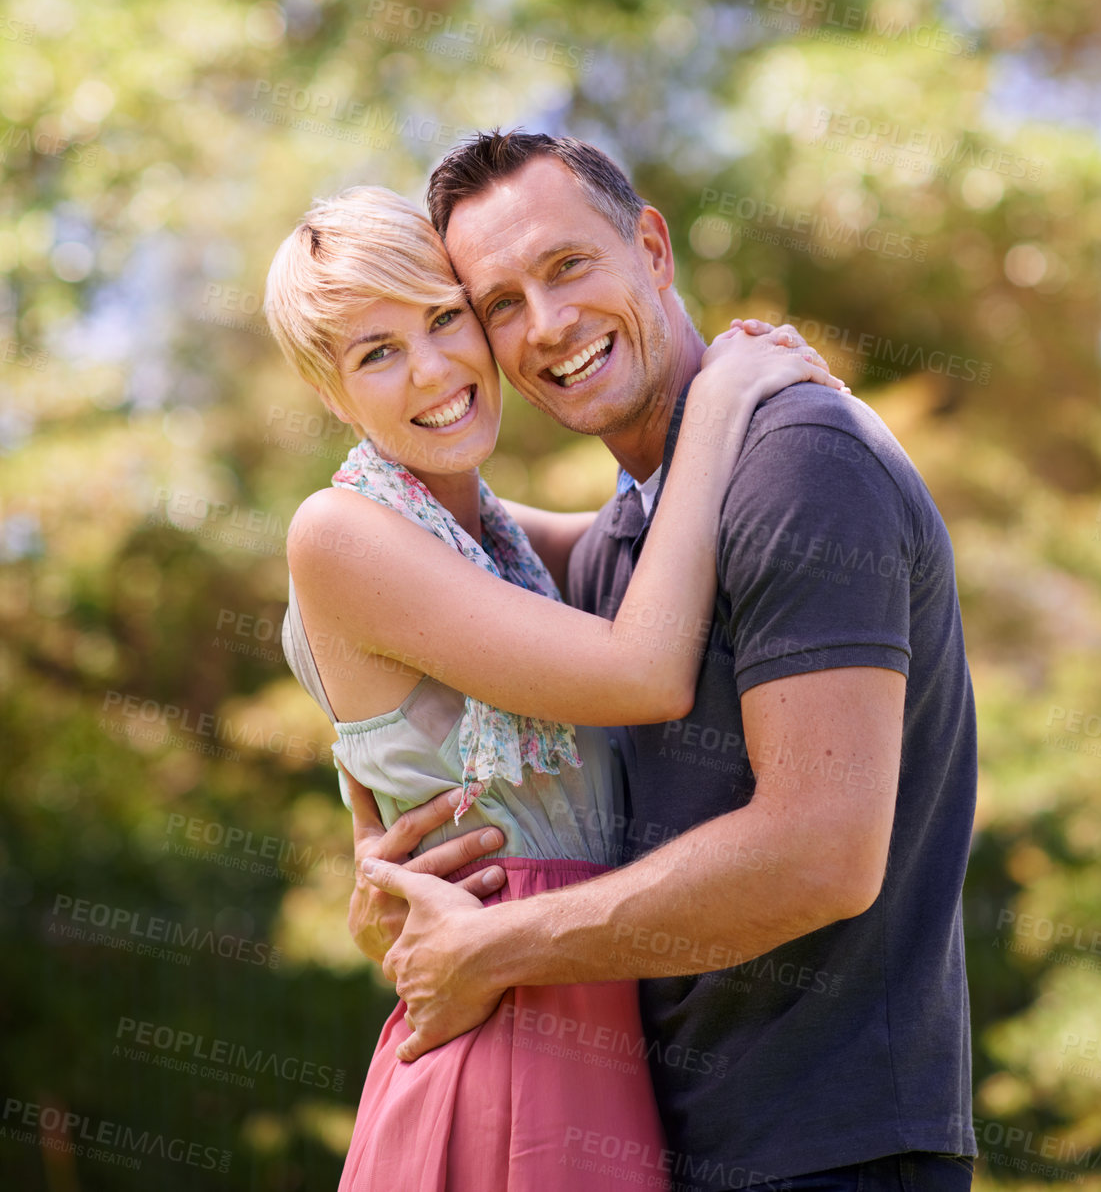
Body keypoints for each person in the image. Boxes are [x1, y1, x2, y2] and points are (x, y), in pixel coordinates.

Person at [354, 131, 979, 1192]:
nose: (548, 326)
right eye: (500, 305)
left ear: (651, 245)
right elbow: (456, 556)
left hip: (837, 1151)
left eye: (567, 266)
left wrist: (495, 949)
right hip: (671, 1148)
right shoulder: (630, 547)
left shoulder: (799, 462)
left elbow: (822, 850)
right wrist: (386, 871)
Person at [263, 184, 847, 1192]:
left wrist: (765, 411)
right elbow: (643, 667)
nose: (435, 369)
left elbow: (654, 535)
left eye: (446, 319)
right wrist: (719, 403)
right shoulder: (340, 533)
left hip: (577, 1001)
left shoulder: (493, 541)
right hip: (500, 1028)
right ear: (331, 391)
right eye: (376, 352)